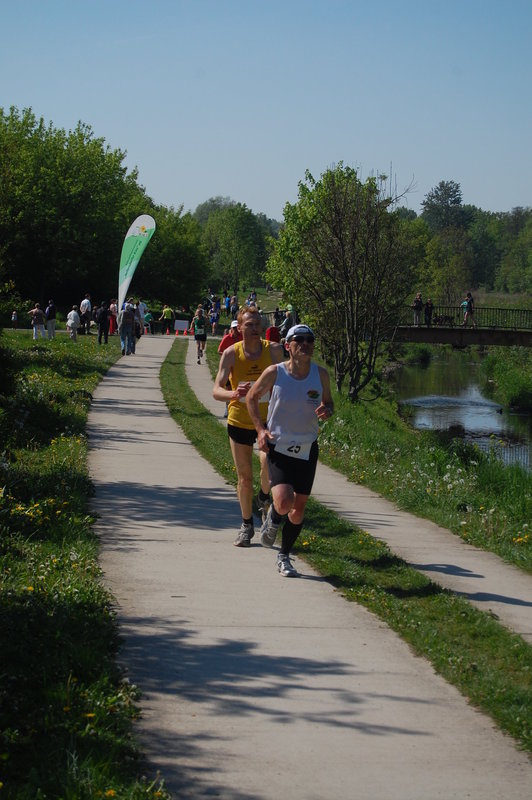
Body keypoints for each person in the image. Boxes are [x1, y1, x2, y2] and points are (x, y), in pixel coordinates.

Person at [246, 324, 333, 577]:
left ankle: (284, 556)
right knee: (284, 502)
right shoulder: (275, 373)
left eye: (310, 340)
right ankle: (274, 514)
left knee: (298, 510)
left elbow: (329, 403)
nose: (305, 344)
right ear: (288, 346)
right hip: (280, 446)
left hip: (307, 448)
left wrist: (327, 410)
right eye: (299, 340)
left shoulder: (321, 375)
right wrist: (260, 430)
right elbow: (251, 397)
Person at [212, 306, 284, 546]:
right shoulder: (232, 354)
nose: (254, 328)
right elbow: (216, 390)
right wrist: (234, 393)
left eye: (257, 324)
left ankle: (263, 498)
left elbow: (288, 381)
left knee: (268, 468)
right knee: (244, 477)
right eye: (249, 324)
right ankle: (246, 525)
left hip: (267, 420)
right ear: (239, 328)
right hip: (240, 419)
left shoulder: (273, 351)